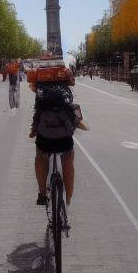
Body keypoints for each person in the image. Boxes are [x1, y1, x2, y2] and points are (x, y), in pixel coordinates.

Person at [28, 67, 87, 212]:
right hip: (64, 137)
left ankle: (42, 194)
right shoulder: (66, 91)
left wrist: (33, 131)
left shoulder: (40, 92)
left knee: (41, 157)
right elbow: (74, 117)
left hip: (44, 137)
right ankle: (68, 199)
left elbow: (37, 117)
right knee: (68, 159)